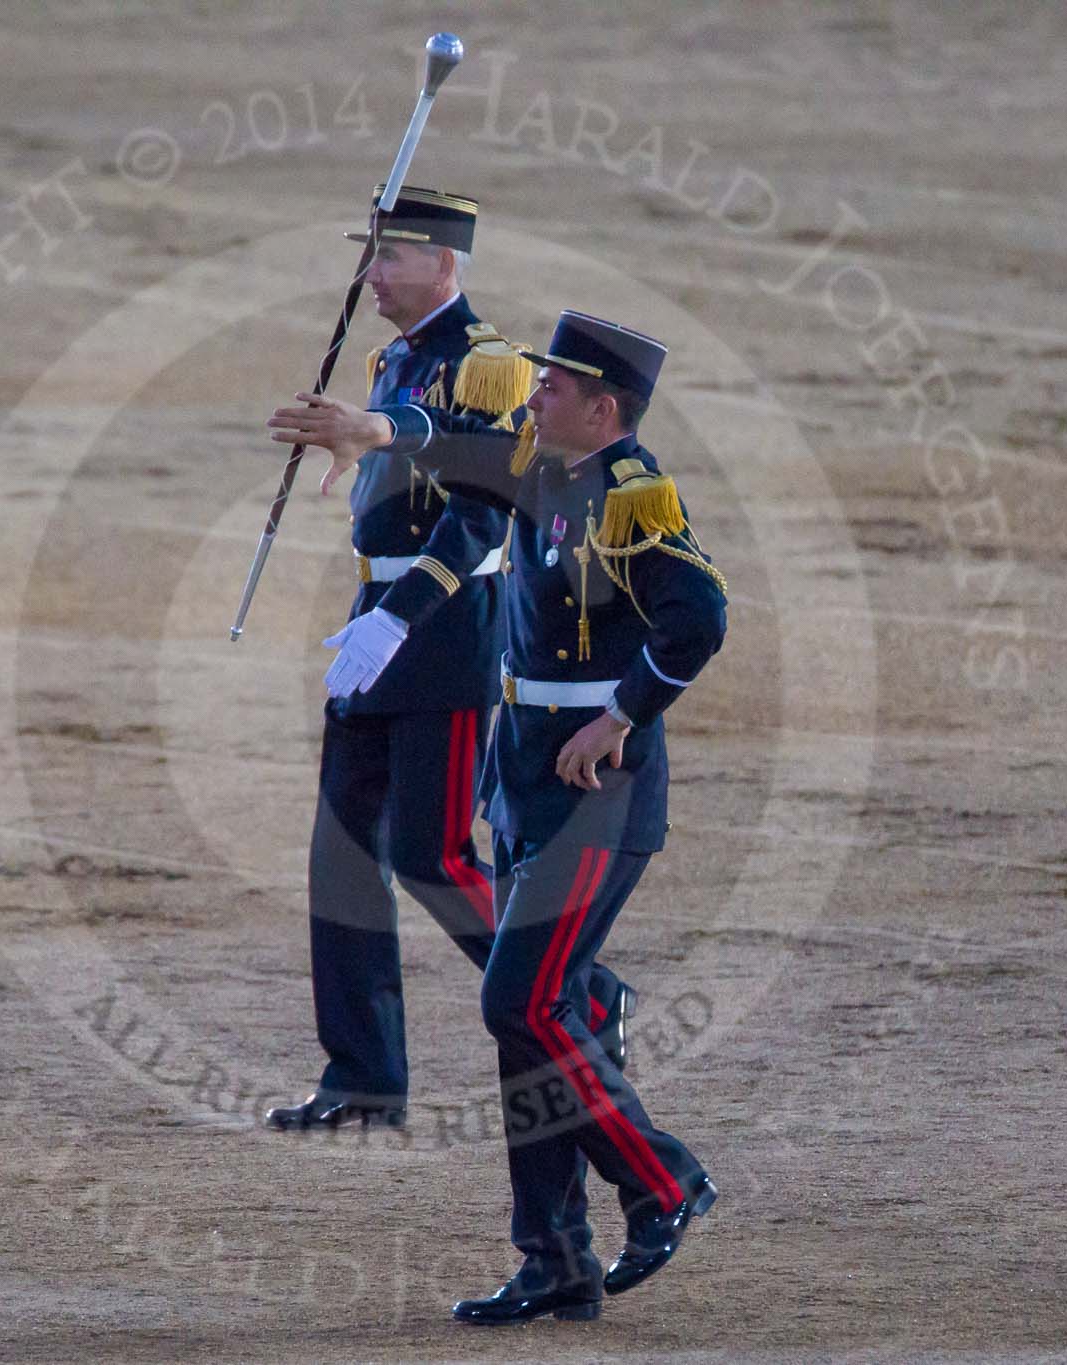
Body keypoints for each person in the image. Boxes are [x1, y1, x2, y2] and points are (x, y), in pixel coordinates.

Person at [268, 310, 727, 1323]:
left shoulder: (628, 493)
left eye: (553, 387)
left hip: (595, 796)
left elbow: (700, 619)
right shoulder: (536, 466)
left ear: (603, 409)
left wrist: (621, 713)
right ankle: (554, 1258)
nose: (532, 395)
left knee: (518, 1007)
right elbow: (459, 445)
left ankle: (661, 1182)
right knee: (534, 1021)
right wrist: (370, 428)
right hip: (523, 780)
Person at [268, 189, 636, 1133]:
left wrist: (400, 616)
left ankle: (584, 998)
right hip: (376, 615)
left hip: (447, 624)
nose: (373, 273)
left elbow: (483, 511)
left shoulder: (491, 368)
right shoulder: (394, 358)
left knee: (431, 853)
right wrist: (358, 473)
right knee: (341, 855)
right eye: (371, 253)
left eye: (393, 255)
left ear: (447, 264)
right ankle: (362, 1074)